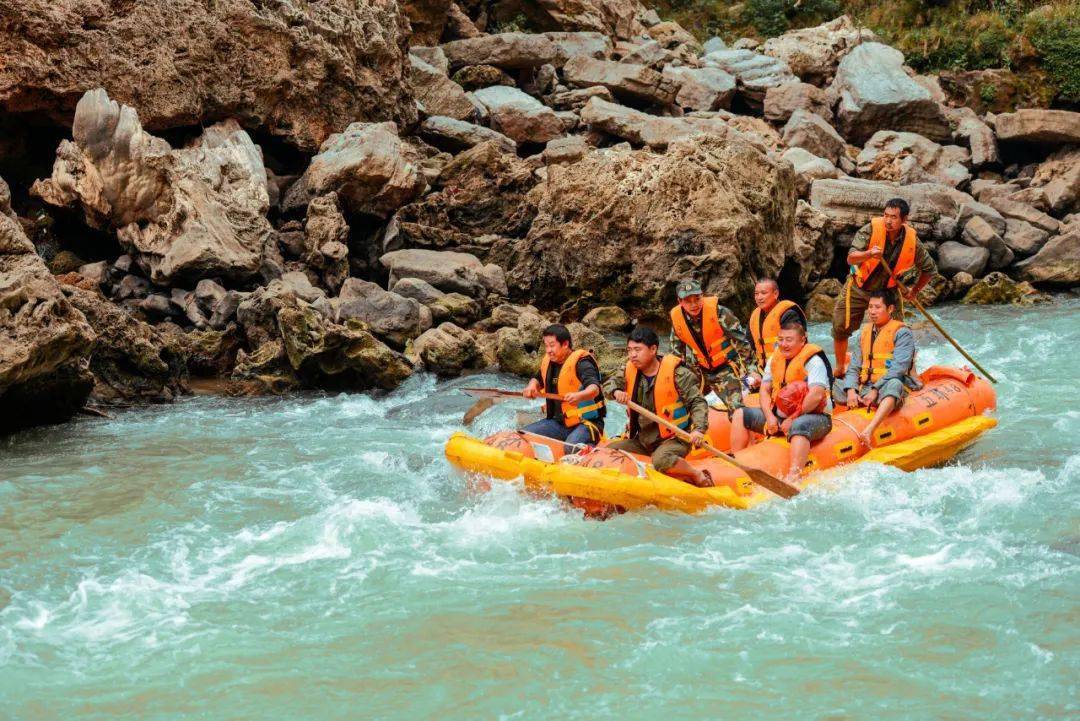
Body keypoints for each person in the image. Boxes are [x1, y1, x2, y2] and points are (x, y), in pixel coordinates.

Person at [832, 198, 936, 375]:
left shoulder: (912, 240)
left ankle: (909, 373)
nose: (888, 220)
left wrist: (914, 291)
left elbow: (929, 269)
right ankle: (841, 367)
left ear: (904, 220)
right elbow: (851, 258)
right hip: (859, 286)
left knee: (900, 332)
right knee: (841, 326)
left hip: (888, 292)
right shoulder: (870, 229)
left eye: (894, 217)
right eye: (886, 215)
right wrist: (868, 254)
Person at [730, 322, 833, 486]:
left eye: (789, 340)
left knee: (799, 425)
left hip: (814, 416)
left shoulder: (814, 361)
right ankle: (736, 464)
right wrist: (770, 417)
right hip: (779, 416)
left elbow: (816, 395)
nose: (784, 344)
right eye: (781, 339)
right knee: (740, 414)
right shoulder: (775, 358)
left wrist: (792, 418)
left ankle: (794, 476)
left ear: (802, 340)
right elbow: (764, 389)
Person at [610, 326, 713, 488]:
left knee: (661, 460)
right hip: (643, 439)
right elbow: (611, 383)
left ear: (653, 349)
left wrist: (699, 429)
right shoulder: (629, 369)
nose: (632, 355)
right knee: (610, 450)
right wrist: (616, 391)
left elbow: (697, 402)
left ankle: (695, 473)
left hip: (674, 438)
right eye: (629, 350)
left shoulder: (678, 374)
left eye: (637, 349)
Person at [833, 290, 920, 448]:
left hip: (884, 387)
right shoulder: (864, 333)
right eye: (870, 307)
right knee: (831, 383)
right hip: (863, 387)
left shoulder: (902, 333)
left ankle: (869, 430)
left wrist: (875, 389)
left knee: (895, 383)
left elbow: (898, 369)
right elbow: (854, 367)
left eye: (877, 307)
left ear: (890, 309)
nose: (872, 312)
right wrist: (851, 390)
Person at [668, 278, 752, 411]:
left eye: (697, 298)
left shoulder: (720, 313)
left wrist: (751, 371)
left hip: (726, 368)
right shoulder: (677, 321)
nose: (694, 304)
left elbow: (742, 342)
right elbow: (676, 356)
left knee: (736, 409)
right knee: (683, 405)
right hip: (700, 371)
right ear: (680, 302)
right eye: (688, 301)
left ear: (702, 296)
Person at [521, 324, 605, 452]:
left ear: (565, 344)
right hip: (558, 423)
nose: (548, 350)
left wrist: (579, 396)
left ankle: (593, 450)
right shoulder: (549, 361)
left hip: (586, 424)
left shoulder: (582, 362)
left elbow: (594, 388)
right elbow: (537, 378)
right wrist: (531, 386)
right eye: (546, 346)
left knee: (570, 448)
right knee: (523, 437)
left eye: (552, 345)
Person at [745, 278, 806, 390]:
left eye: (763, 293)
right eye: (756, 294)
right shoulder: (754, 317)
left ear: (775, 294)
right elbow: (747, 349)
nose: (759, 297)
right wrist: (752, 372)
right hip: (761, 372)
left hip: (787, 370)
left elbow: (793, 348)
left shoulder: (788, 314)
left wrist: (769, 378)